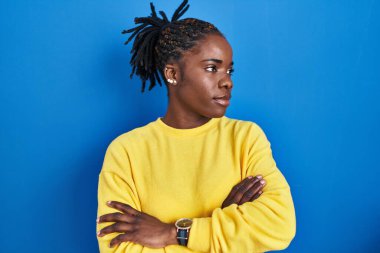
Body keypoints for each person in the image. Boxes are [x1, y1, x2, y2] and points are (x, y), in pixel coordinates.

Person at [96, 0, 296, 252]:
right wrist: (224, 230)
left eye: (229, 70)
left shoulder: (245, 138)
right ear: (173, 74)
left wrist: (175, 232)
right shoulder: (126, 151)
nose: (227, 82)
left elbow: (280, 225)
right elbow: (118, 249)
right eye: (212, 68)